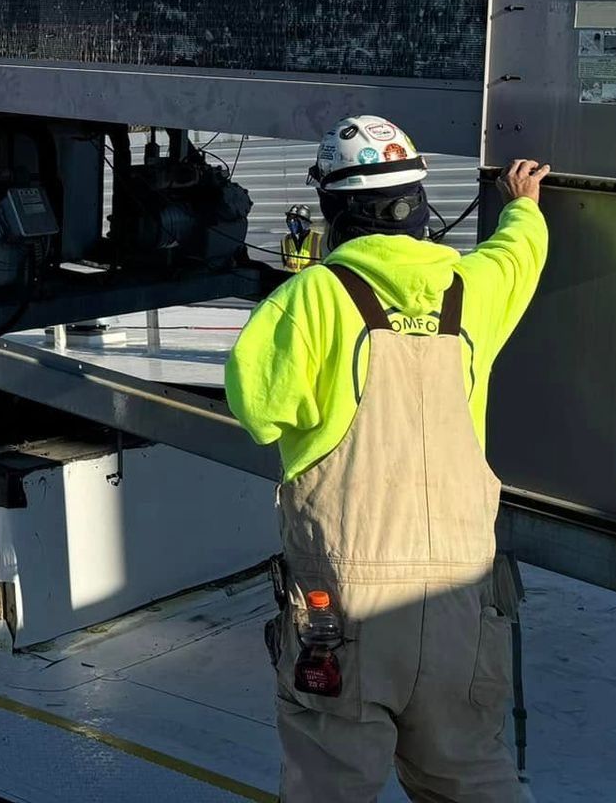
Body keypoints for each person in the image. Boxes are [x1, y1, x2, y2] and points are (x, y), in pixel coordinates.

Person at [224, 116, 550, 803]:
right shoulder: (472, 288)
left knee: (330, 782)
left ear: (333, 208)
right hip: (461, 599)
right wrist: (523, 207)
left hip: (345, 609)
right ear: (419, 203)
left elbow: (258, 411)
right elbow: (518, 254)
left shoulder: (309, 299)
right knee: (472, 776)